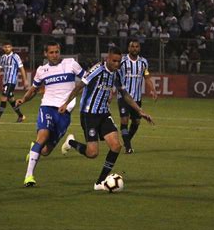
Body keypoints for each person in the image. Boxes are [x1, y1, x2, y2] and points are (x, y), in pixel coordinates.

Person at [59, 46, 154, 191]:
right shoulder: (97, 70)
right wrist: (66, 103)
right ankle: (71, 142)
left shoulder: (117, 74)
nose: (117, 64)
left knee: (116, 146)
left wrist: (140, 110)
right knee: (92, 153)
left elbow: (125, 94)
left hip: (104, 114)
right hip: (89, 114)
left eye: (119, 61)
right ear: (107, 59)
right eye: (114, 61)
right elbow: (79, 86)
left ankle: (99, 182)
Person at [17, 41, 85, 187]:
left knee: (46, 151)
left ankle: (34, 148)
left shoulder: (71, 64)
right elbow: (34, 90)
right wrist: (23, 99)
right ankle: (29, 176)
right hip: (47, 107)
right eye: (51, 52)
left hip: (64, 112)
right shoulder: (42, 70)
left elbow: (87, 79)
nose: (54, 55)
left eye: (56, 52)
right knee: (43, 137)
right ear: (45, 54)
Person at [117, 39, 158, 154]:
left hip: (137, 98)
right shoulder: (122, 61)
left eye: (136, 47)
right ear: (129, 48)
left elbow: (147, 76)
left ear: (139, 48)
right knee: (124, 120)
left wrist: (153, 90)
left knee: (136, 122)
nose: (134, 48)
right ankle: (128, 147)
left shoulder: (143, 62)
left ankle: (126, 141)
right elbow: (115, 76)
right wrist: (111, 91)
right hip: (123, 97)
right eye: (132, 46)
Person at [0, 42, 28, 123]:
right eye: (5, 47)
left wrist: (25, 80)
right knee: (11, 100)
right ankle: (21, 116)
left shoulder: (15, 57)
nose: (7, 48)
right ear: (3, 48)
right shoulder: (3, 57)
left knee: (3, 98)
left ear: (12, 47)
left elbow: (22, 68)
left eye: (9, 47)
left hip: (11, 81)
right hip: (5, 81)